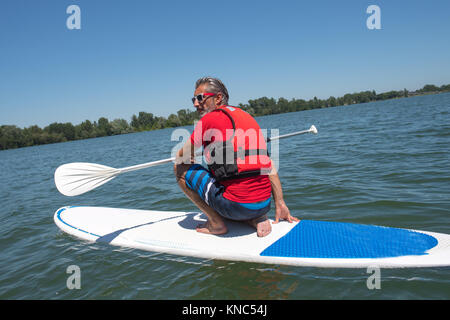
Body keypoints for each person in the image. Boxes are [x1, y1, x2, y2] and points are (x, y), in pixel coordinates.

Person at [174, 77, 298, 237]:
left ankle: (216, 224)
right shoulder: (247, 116)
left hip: (235, 207)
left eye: (200, 98)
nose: (195, 104)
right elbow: (269, 166)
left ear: (218, 98)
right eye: (194, 99)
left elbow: (180, 156)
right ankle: (255, 217)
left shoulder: (207, 120)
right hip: (265, 205)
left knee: (180, 168)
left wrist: (185, 157)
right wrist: (280, 203)